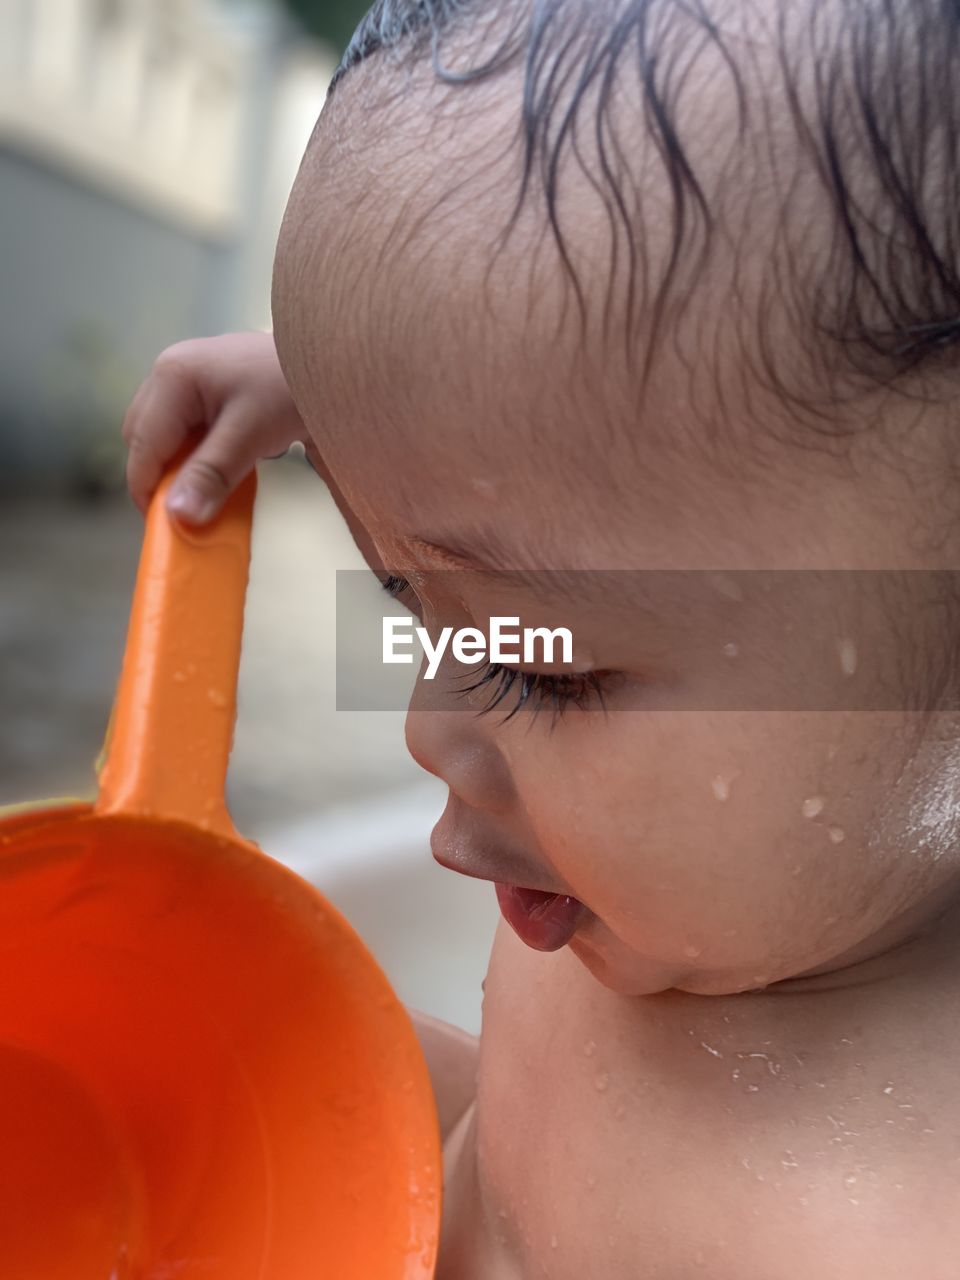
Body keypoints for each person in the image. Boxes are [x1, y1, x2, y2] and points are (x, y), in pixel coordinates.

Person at [122, 1, 960, 1274]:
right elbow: (505, 1167)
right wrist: (357, 392)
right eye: (409, 601)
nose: (427, 729)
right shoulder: (677, 894)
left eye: (548, 669)